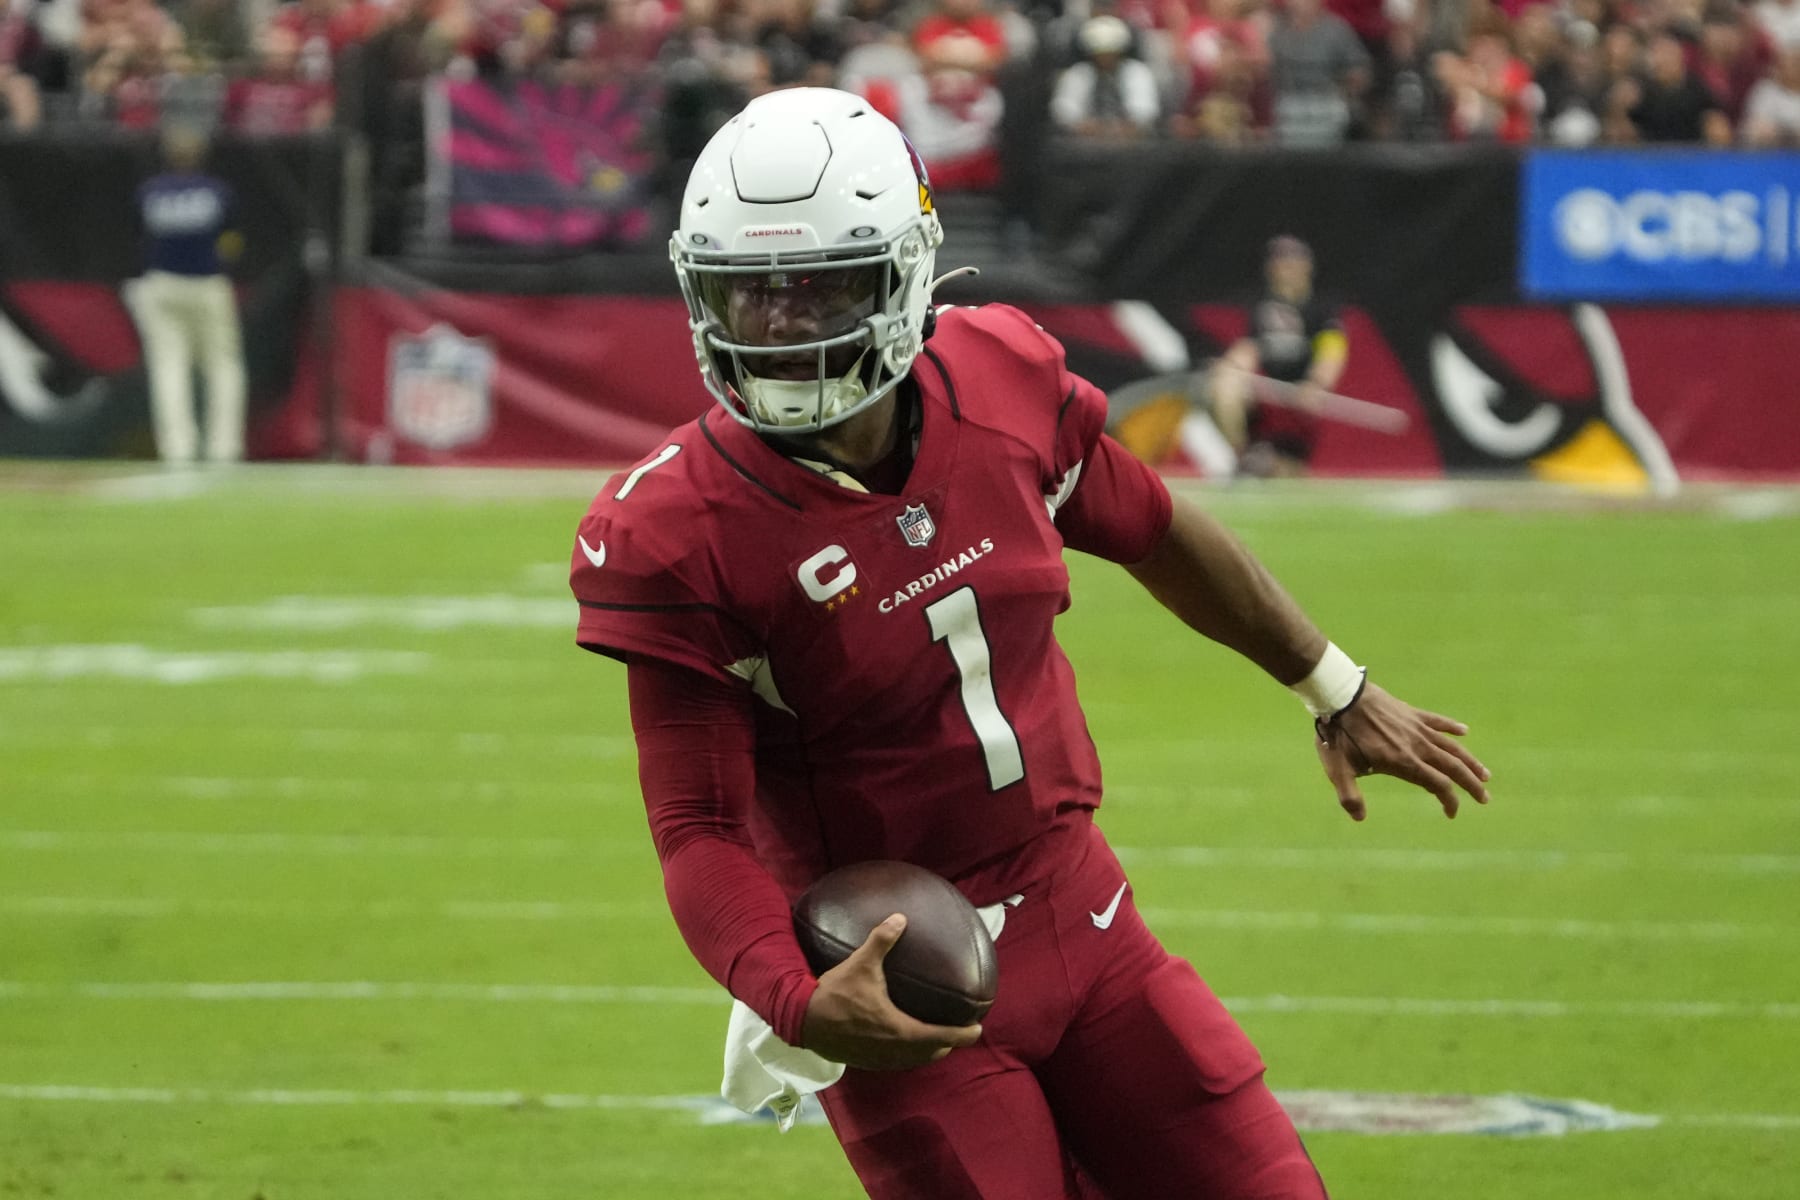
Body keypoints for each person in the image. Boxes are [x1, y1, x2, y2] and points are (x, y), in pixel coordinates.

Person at [569, 88, 1489, 1200]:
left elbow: (1157, 529)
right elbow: (698, 827)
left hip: (1084, 916)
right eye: (747, 293)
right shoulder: (679, 528)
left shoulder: (998, 382)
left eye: (819, 286)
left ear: (905, 269)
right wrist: (802, 1003)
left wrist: (1332, 686)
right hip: (901, 973)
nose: (780, 323)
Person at [127, 124, 247, 465]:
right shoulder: (217, 192)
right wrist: (226, 258)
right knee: (224, 367)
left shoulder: (149, 192)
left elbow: (139, 237)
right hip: (207, 283)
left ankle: (177, 449)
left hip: (163, 283)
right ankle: (224, 448)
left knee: (169, 367)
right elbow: (232, 239)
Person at [1208, 234, 1347, 478]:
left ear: (1306, 266)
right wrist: (1231, 365)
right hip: (1268, 397)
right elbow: (1249, 348)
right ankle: (1243, 456)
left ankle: (1270, 462)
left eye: (1292, 262)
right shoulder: (1262, 307)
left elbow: (1331, 352)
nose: (1284, 269)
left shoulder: (1321, 308)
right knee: (1224, 384)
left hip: (1302, 399)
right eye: (1280, 262)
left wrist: (1317, 384)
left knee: (1287, 474)